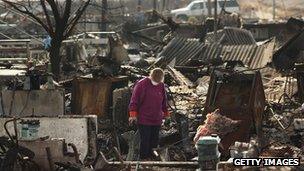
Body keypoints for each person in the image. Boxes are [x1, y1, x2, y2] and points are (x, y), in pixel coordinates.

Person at [128, 68, 170, 160]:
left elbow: (164, 102)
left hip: (157, 119)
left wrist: (167, 115)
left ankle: (153, 159)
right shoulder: (141, 84)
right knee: (145, 141)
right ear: (151, 77)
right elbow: (134, 101)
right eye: (155, 81)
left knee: (154, 141)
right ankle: (143, 160)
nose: (156, 83)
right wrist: (133, 115)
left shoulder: (161, 85)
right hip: (144, 119)